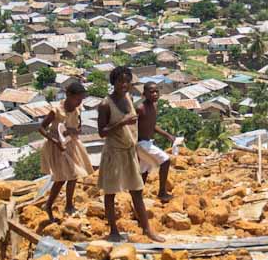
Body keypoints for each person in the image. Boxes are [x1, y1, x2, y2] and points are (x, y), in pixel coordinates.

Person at [95, 66, 159, 242]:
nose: (124, 84)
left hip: (129, 151)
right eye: (120, 81)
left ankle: (147, 229)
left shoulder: (128, 98)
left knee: (137, 191)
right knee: (110, 192)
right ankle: (113, 230)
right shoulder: (105, 104)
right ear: (113, 82)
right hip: (113, 152)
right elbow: (102, 132)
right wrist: (122, 122)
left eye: (127, 81)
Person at [37, 80, 91, 221]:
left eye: (80, 100)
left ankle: (68, 205)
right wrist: (55, 141)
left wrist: (72, 131)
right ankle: (49, 205)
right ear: (68, 95)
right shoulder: (56, 111)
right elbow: (41, 128)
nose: (78, 102)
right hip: (56, 146)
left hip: (71, 145)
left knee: (74, 175)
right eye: (76, 99)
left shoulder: (78, 110)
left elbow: (79, 128)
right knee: (61, 179)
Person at [136, 81, 177, 202]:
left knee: (144, 170)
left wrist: (167, 135)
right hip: (141, 143)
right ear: (144, 94)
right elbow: (132, 127)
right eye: (151, 91)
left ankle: (138, 197)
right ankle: (162, 192)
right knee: (165, 160)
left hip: (148, 142)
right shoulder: (140, 108)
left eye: (156, 91)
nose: (154, 94)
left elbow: (152, 125)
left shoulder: (154, 106)